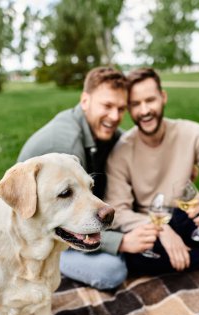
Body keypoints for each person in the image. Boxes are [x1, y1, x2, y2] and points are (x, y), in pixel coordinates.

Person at [105, 67, 199, 277]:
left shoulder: (192, 133)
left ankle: (198, 245)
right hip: (152, 225)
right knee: (135, 258)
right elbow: (118, 211)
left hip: (191, 216)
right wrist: (160, 228)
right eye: (136, 104)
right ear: (128, 108)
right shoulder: (121, 151)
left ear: (163, 97)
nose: (144, 110)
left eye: (150, 100)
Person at [18, 66, 132, 289]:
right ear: (85, 100)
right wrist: (122, 242)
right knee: (111, 271)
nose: (115, 116)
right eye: (107, 106)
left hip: (78, 218)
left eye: (121, 108)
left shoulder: (98, 126)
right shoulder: (65, 146)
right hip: (41, 236)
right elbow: (48, 219)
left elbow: (132, 145)